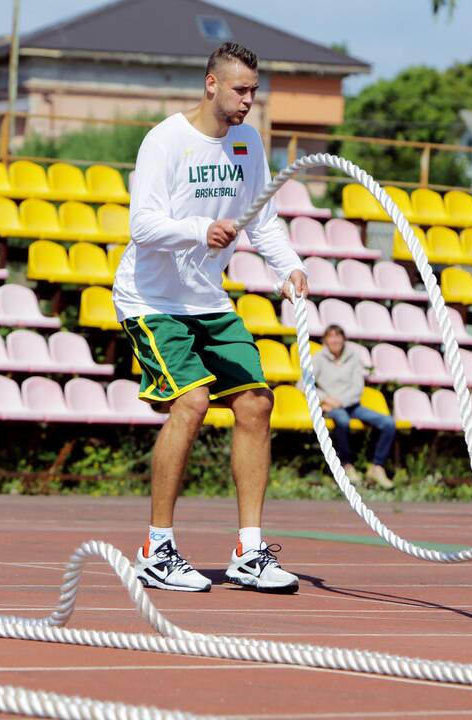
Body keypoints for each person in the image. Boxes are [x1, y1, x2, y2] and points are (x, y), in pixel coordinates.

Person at [113, 42, 308, 594]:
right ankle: (157, 547)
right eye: (240, 90)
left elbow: (260, 218)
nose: (249, 101)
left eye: (254, 91)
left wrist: (289, 267)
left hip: (208, 301)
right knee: (192, 400)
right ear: (211, 85)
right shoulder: (166, 140)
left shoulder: (248, 143)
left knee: (257, 401)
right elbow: (143, 225)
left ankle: (249, 553)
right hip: (152, 300)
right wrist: (199, 230)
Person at [312, 324, 396, 489]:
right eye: (331, 336)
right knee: (342, 421)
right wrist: (324, 399)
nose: (334, 340)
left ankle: (377, 466)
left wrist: (341, 401)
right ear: (325, 340)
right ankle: (346, 464)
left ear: (343, 339)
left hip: (352, 405)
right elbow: (303, 384)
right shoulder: (317, 358)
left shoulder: (353, 357)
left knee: (388, 423)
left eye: (337, 336)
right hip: (331, 407)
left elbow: (358, 387)